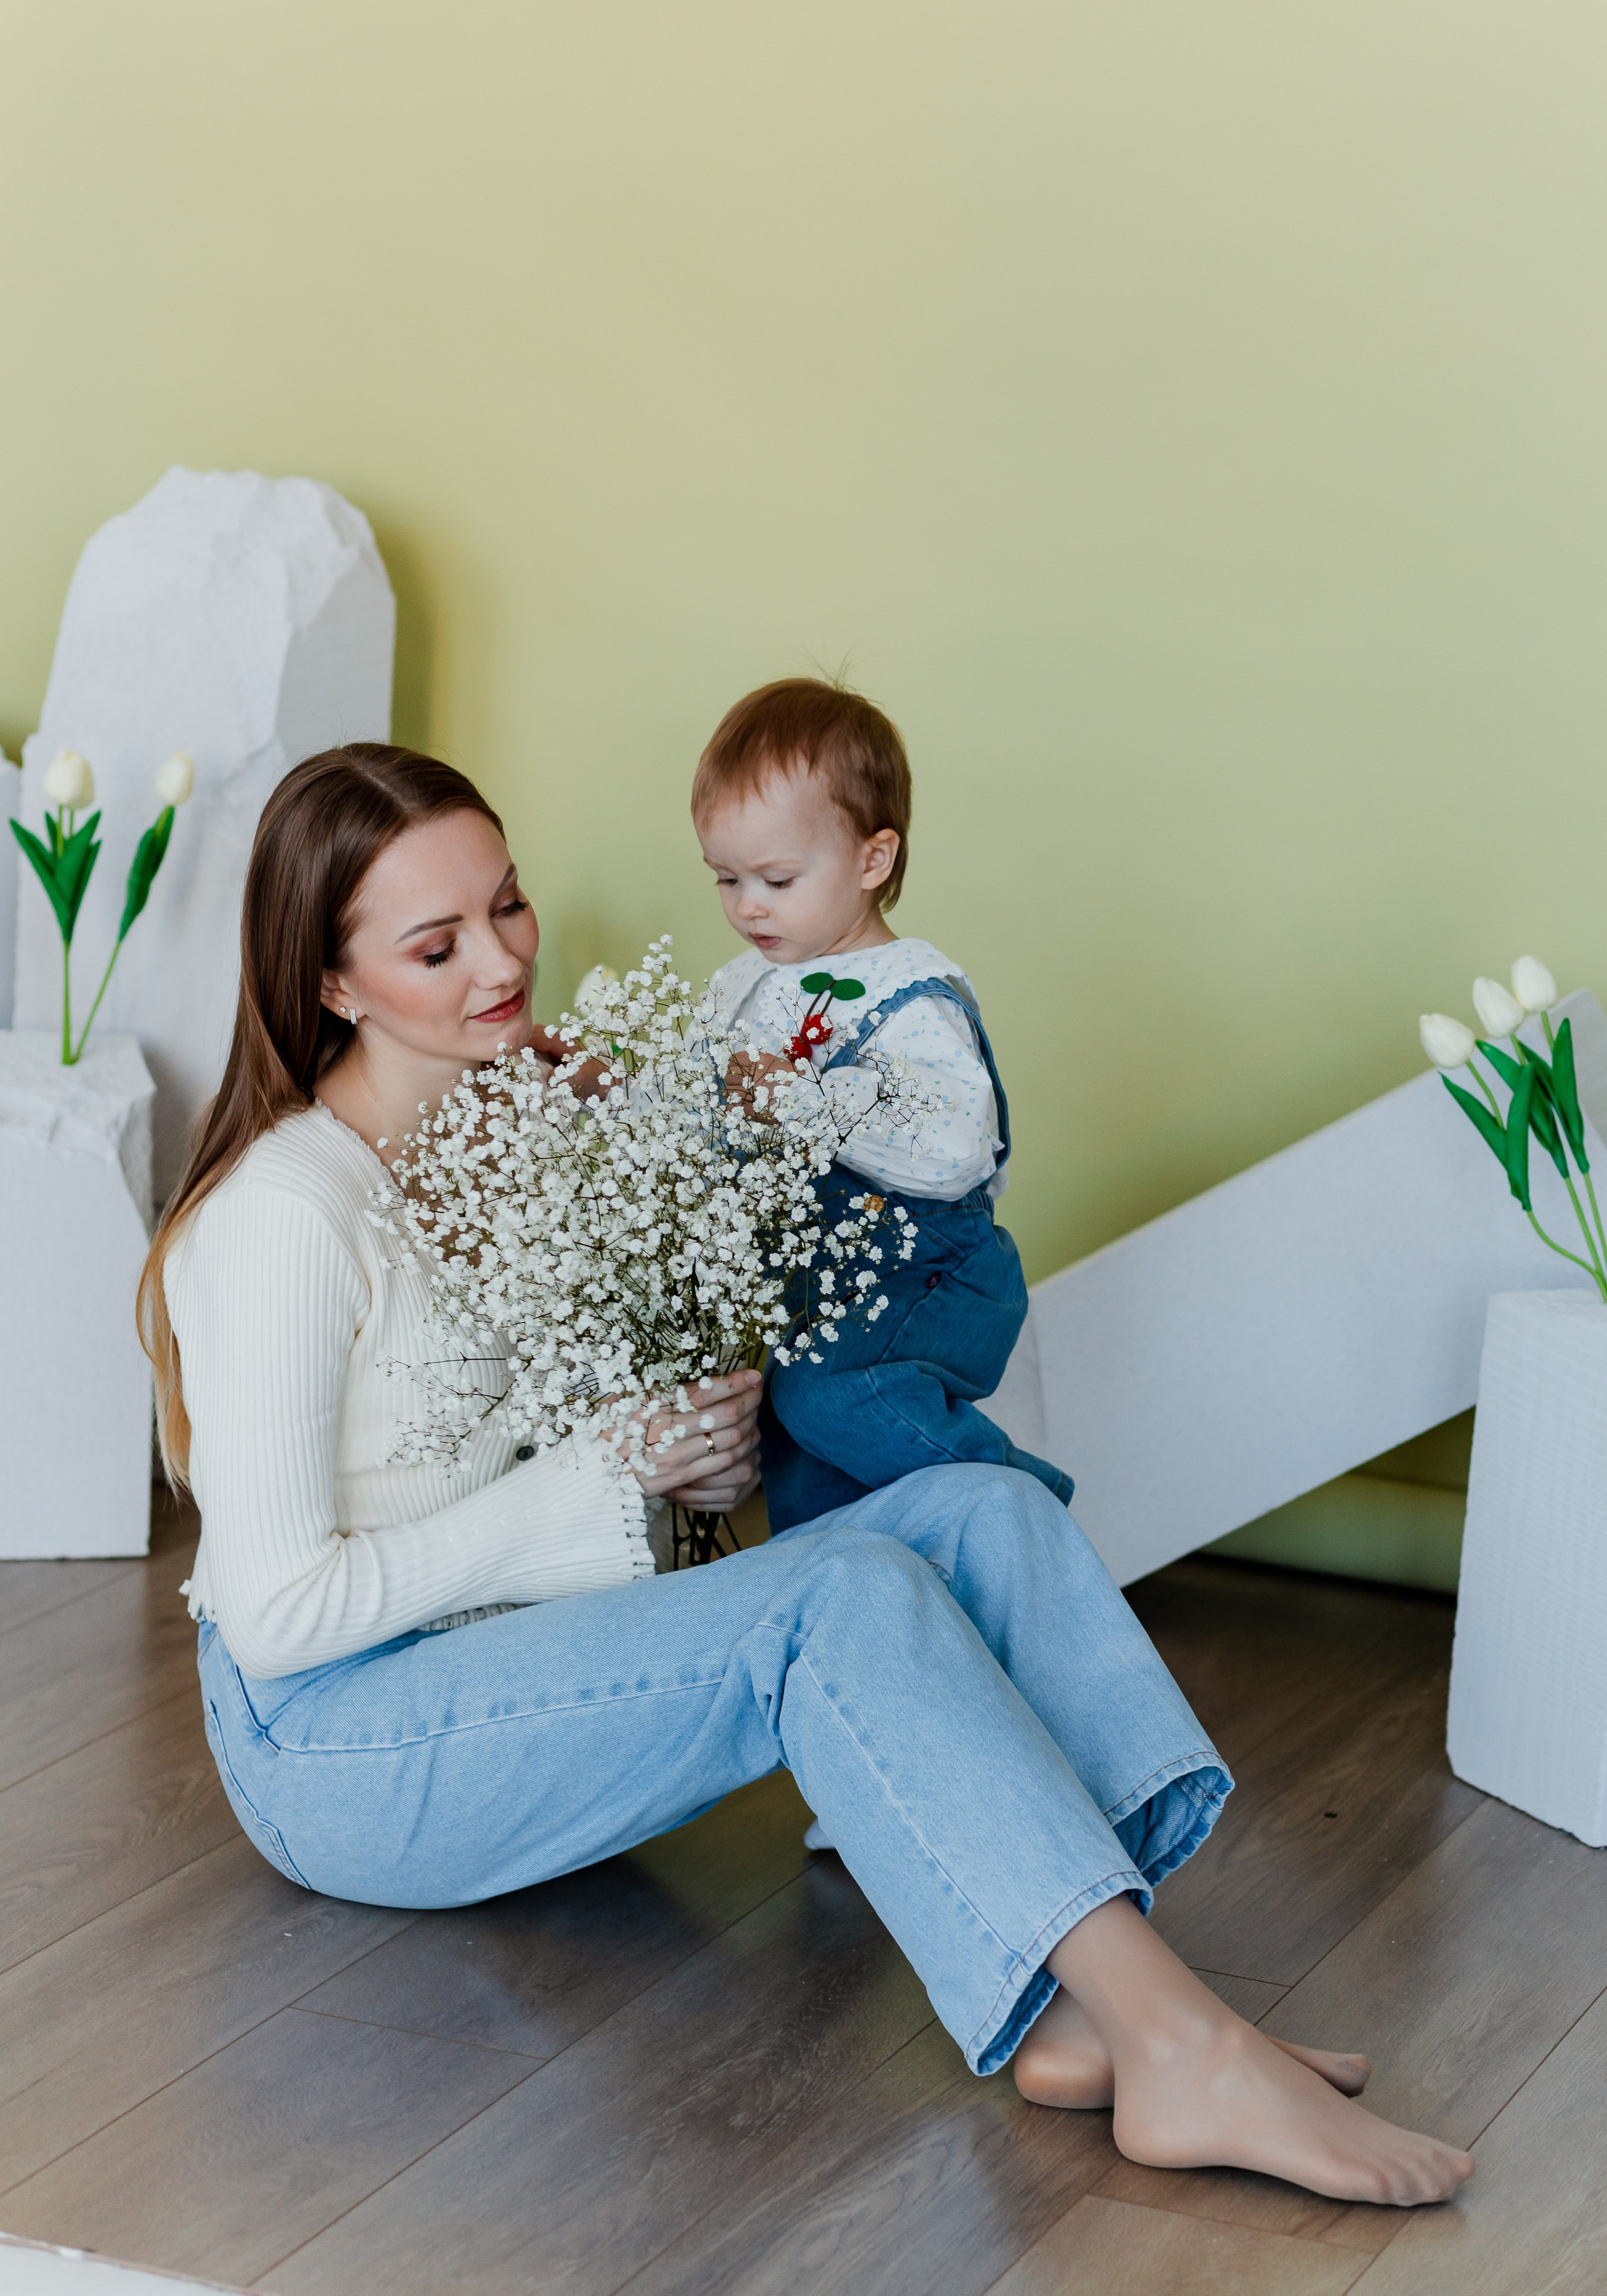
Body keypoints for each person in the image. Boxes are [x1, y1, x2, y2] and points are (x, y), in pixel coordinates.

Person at [139, 741, 1472, 2207]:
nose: (502, 959)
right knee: (838, 1599)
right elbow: (274, 1617)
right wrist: (594, 1489)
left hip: (510, 1668)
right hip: (334, 1744)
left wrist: (687, 1479)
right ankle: (1182, 2049)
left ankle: (1112, 2009)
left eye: (507, 906)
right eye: (435, 944)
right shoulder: (281, 1218)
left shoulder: (515, 1134)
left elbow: (575, 1482)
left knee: (978, 1505)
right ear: (333, 985)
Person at [694, 677, 1067, 1531]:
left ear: (873, 859)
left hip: (926, 1274)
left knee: (830, 1396)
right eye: (726, 878)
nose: (749, 905)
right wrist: (616, 1089)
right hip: (822, 1282)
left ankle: (1019, 1509)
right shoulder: (744, 985)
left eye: (778, 878)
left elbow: (957, 1149)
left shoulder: (911, 996)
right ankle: (855, 1586)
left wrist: (805, 1104)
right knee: (807, 1461)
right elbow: (699, 1105)